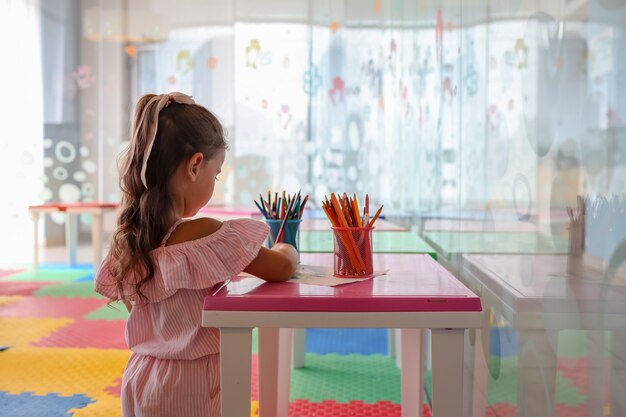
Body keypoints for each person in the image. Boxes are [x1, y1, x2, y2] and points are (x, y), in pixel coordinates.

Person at [94, 92, 298, 417]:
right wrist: (287, 246)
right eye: (215, 175)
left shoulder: (129, 243)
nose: (214, 182)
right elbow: (282, 268)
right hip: (196, 384)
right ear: (195, 165)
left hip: (141, 377)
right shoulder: (205, 234)